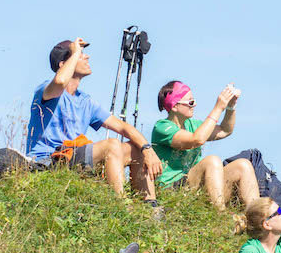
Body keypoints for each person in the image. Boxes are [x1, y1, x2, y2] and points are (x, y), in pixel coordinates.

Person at [27, 39, 163, 204]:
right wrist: (75, 52)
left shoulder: (84, 101)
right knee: (111, 145)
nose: (86, 57)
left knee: (135, 148)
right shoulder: (46, 89)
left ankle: (151, 209)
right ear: (63, 64)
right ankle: (121, 207)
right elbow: (60, 82)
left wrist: (147, 149)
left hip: (73, 156)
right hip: (48, 161)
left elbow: (123, 127)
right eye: (80, 54)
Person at [152, 81, 259, 210]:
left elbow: (225, 130)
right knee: (211, 161)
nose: (195, 105)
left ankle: (257, 218)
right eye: (190, 103)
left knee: (243, 165)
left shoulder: (193, 124)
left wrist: (231, 107)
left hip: (194, 187)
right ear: (174, 106)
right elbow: (197, 140)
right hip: (172, 189)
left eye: (194, 100)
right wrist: (218, 108)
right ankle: (220, 217)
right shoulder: (162, 127)